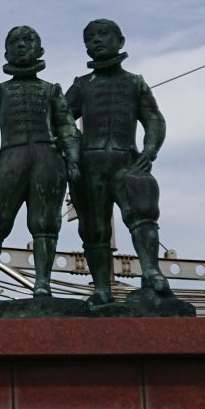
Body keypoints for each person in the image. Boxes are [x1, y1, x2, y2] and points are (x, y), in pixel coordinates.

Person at [0, 26, 81, 302]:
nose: (21, 45)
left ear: (40, 50)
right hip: (11, 156)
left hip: (47, 160)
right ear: (6, 50)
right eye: (14, 41)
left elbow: (67, 128)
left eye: (28, 40)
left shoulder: (51, 90)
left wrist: (74, 162)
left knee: (45, 224)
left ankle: (42, 284)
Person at [66, 18, 171, 305]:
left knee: (143, 212)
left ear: (120, 41)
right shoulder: (82, 85)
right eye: (89, 37)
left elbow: (153, 118)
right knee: (94, 227)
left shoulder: (135, 82)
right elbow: (60, 118)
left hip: (128, 160)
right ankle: (102, 288)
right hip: (90, 164)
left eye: (103, 35)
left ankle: (150, 271)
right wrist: (75, 144)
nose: (96, 40)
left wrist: (150, 151)